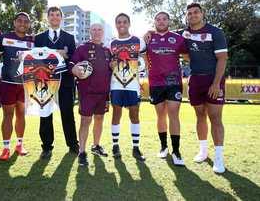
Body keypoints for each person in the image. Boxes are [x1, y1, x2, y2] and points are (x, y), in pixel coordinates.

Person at [183, 3, 228, 173]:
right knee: (200, 115)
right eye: (190, 13)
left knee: (215, 117)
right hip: (195, 80)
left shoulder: (215, 32)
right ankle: (203, 151)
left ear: (202, 14)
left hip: (213, 79)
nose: (193, 15)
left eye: (196, 12)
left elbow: (223, 59)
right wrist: (149, 32)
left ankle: (219, 157)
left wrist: (216, 83)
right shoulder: (185, 33)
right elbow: (168, 35)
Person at [35, 6, 78, 158]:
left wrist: (64, 55)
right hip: (45, 82)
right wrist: (53, 54)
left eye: (57, 15)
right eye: (51, 15)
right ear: (47, 18)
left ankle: (73, 144)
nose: (54, 17)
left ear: (61, 18)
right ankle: (46, 146)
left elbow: (74, 59)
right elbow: (35, 59)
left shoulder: (69, 37)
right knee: (45, 114)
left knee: (67, 114)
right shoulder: (39, 37)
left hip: (65, 82)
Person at [145, 12, 188, 166]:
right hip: (156, 83)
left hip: (173, 81)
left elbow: (189, 54)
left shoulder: (178, 38)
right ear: (154, 21)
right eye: (158, 19)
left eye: (164, 19)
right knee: (161, 116)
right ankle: (164, 147)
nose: (161, 21)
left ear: (169, 21)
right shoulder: (148, 38)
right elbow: (144, 55)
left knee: (173, 115)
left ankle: (176, 151)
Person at [70, 23, 112, 166]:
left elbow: (111, 69)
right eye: (94, 29)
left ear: (103, 32)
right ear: (89, 32)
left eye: (99, 29)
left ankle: (96, 146)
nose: (97, 32)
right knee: (85, 121)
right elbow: (71, 64)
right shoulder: (82, 48)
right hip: (87, 93)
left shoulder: (107, 50)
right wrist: (74, 69)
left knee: (99, 119)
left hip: (103, 93)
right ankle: (82, 151)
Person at [107, 13, 146, 161]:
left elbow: (144, 60)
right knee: (116, 114)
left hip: (133, 85)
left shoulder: (139, 41)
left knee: (134, 115)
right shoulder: (111, 43)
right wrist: (111, 64)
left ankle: (136, 148)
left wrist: (142, 74)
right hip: (116, 83)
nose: (121, 24)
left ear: (129, 23)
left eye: (124, 22)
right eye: (119, 22)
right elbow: (109, 64)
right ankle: (115, 146)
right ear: (116, 24)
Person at [0, 12, 34, 161]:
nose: (23, 23)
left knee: (21, 115)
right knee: (7, 115)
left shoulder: (32, 40)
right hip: (7, 83)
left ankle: (19, 144)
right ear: (14, 22)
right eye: (20, 21)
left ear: (29, 24)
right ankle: (6, 148)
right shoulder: (4, 38)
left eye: (26, 21)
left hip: (25, 84)